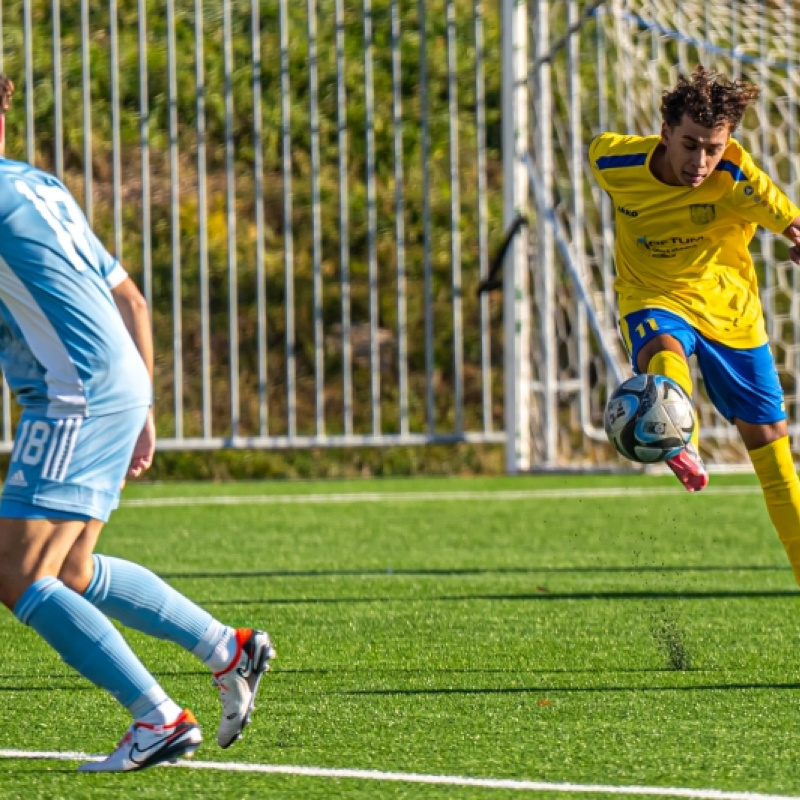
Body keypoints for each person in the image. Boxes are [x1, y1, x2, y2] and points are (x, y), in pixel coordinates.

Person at [0, 75, 276, 772]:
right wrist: (143, 404)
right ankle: (227, 647)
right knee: (70, 567)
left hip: (72, 398)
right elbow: (133, 298)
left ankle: (157, 717)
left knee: (13, 569)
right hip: (113, 385)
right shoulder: (39, 187)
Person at [589, 65, 800, 585]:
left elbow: (791, 223)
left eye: (713, 147)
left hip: (730, 309)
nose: (701, 160)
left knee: (772, 448)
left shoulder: (738, 176)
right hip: (652, 295)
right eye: (690, 144)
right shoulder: (612, 159)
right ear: (664, 132)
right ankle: (680, 437)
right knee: (664, 347)